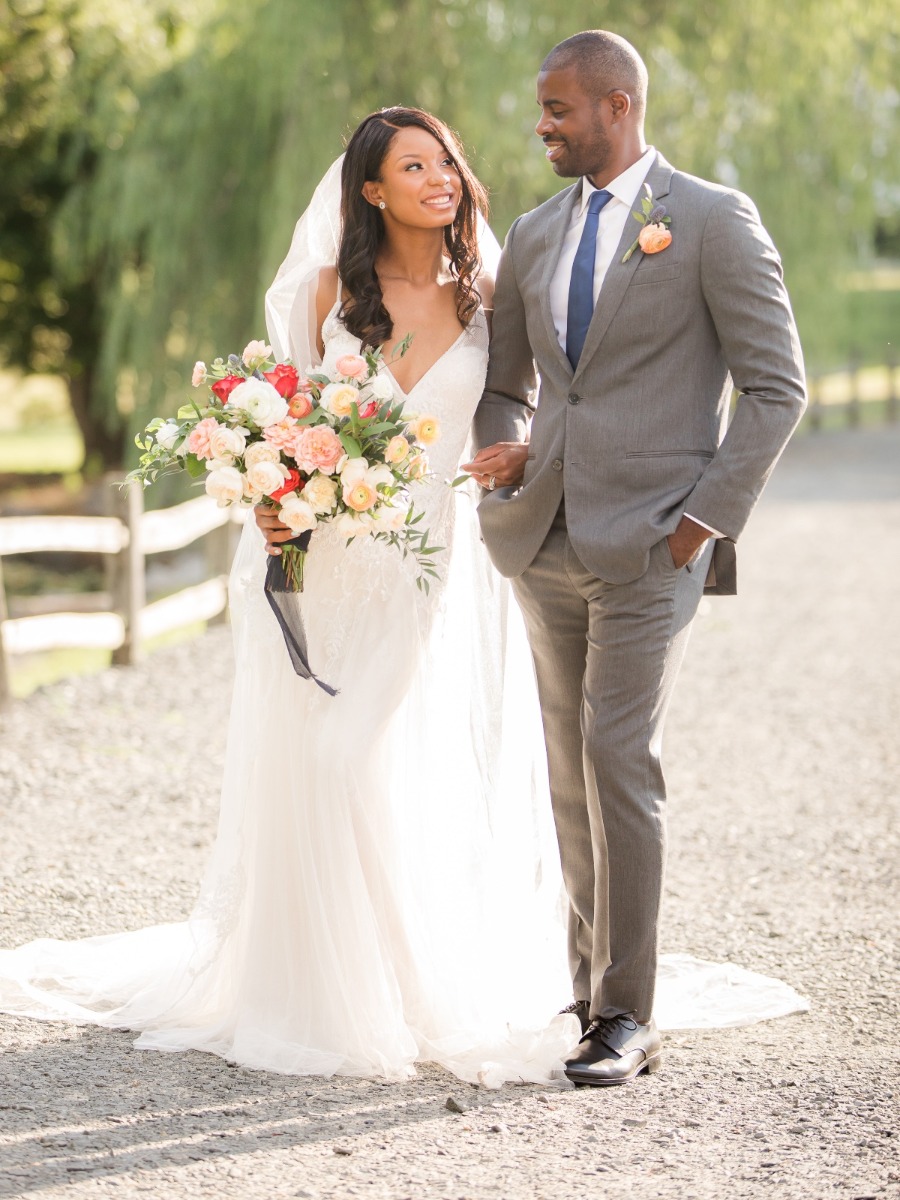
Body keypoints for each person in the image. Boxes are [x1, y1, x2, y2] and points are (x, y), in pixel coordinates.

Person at [0, 103, 807, 1085]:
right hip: (323, 562)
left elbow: (550, 400)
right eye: (413, 166)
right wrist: (274, 511)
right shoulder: (327, 292)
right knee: (322, 760)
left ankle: (427, 985)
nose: (442, 179)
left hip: (431, 563)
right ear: (371, 189)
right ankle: (322, 988)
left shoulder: (492, 288)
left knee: (378, 753)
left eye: (448, 164)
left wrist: (540, 467)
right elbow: (282, 423)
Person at [463, 31, 808, 1086]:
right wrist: (503, 458)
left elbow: (776, 388)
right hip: (545, 539)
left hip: (654, 547)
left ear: (618, 105)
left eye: (559, 108)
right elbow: (510, 381)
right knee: (568, 776)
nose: (542, 125)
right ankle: (587, 994)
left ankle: (628, 1016)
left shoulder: (710, 221)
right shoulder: (531, 231)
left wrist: (701, 524)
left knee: (620, 763)